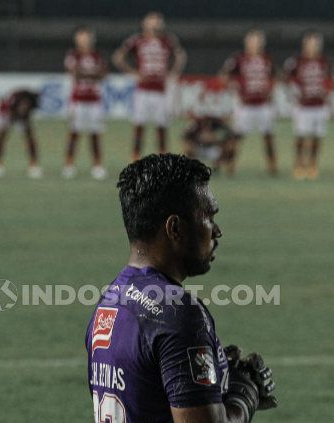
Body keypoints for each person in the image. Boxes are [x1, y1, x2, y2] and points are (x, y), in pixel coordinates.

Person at [86, 154, 277, 423]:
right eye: (209, 216)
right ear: (174, 228)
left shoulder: (111, 299)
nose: (217, 231)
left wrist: (216, 372)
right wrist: (246, 394)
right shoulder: (176, 312)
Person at [112, 12, 186, 161]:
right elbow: (118, 57)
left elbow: (180, 55)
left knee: (161, 125)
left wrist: (173, 73)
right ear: (144, 23)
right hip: (143, 89)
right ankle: (136, 157)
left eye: (158, 21)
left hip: (160, 89)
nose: (155, 24)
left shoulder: (167, 40)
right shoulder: (137, 40)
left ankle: (163, 158)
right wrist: (132, 72)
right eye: (152, 21)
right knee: (139, 124)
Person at [284, 31, 334, 180]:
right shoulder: (296, 61)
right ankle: (298, 165)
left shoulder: (325, 61)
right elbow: (286, 79)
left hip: (320, 105)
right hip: (303, 106)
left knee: (317, 137)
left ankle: (312, 165)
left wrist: (329, 94)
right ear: (304, 44)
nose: (313, 47)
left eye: (315, 44)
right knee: (301, 136)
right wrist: (294, 94)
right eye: (310, 43)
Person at [219, 29, 278, 176]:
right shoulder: (239, 59)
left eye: (258, 41)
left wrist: (271, 91)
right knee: (236, 137)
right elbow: (224, 75)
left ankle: (272, 166)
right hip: (245, 105)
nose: (255, 44)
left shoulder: (267, 59)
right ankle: (230, 165)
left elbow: (275, 76)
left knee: (268, 136)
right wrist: (231, 87)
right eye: (252, 41)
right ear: (246, 42)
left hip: (263, 105)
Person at [62, 26, 108, 180]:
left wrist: (87, 74)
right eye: (82, 38)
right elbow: (74, 73)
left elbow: (103, 74)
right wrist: (91, 74)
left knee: (95, 133)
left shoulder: (97, 56)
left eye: (87, 38)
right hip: (78, 100)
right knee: (74, 133)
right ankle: (69, 164)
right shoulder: (73, 55)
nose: (85, 41)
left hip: (95, 100)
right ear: (77, 40)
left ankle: (97, 165)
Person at [0, 89, 42, 179]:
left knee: (30, 138)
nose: (24, 108)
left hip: (22, 117)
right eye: (23, 106)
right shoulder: (11, 103)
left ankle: (34, 165)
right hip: (6, 112)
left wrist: (25, 122)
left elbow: (28, 115)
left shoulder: (33, 101)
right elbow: (8, 115)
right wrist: (7, 124)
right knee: (1, 137)